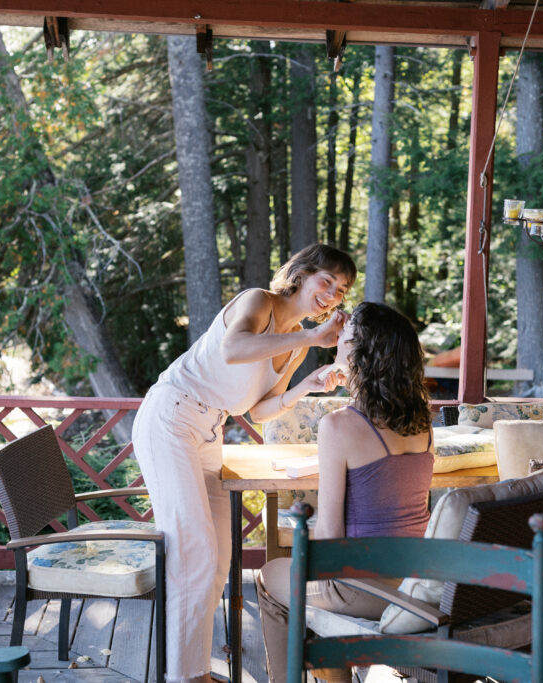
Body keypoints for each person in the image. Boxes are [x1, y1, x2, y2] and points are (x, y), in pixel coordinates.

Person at [131, 244, 358, 683]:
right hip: (171, 416)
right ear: (302, 273)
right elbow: (234, 348)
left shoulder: (294, 346)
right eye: (326, 281)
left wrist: (308, 384)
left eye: (341, 290)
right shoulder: (260, 301)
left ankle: (192, 670)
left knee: (218, 557)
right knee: (192, 548)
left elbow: (259, 411)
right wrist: (312, 337)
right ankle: (184, 677)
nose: (331, 294)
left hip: (209, 429)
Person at [254, 301, 434, 683]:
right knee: (302, 588)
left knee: (270, 577)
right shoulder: (423, 423)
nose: (337, 343)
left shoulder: (338, 426)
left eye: (346, 339)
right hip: (417, 583)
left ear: (362, 354)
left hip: (363, 587)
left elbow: (330, 540)